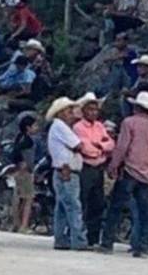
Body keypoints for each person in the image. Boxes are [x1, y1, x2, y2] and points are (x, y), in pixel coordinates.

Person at [100, 91, 148, 258]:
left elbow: (122, 147)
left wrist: (113, 165)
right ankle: (143, 246)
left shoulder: (129, 123)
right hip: (147, 172)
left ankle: (107, 242)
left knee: (116, 207)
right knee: (145, 212)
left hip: (130, 170)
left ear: (135, 107)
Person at [46, 97, 89, 251]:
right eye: (68, 110)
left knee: (63, 207)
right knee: (73, 206)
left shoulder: (58, 127)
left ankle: (61, 239)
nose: (72, 113)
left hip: (62, 169)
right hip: (67, 170)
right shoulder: (60, 127)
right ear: (60, 113)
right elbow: (78, 145)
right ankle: (78, 240)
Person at [73, 93, 115, 246]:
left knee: (97, 203)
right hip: (86, 167)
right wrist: (100, 148)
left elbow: (110, 143)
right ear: (84, 111)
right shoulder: (78, 127)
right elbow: (85, 148)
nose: (93, 113)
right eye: (90, 109)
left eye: (95, 110)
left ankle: (93, 238)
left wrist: (100, 146)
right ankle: (79, 236)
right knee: (82, 201)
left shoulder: (100, 126)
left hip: (98, 169)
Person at [11, 114, 40, 233]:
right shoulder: (27, 140)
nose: (37, 128)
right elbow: (16, 151)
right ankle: (24, 225)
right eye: (35, 125)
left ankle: (16, 223)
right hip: (25, 172)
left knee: (20, 198)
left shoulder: (20, 137)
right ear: (28, 127)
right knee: (28, 199)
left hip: (21, 171)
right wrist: (22, 162)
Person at [96, 32, 139, 98]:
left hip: (131, 79)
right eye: (116, 40)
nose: (116, 43)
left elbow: (122, 56)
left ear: (125, 42)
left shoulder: (131, 52)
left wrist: (111, 58)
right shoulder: (117, 53)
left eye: (119, 40)